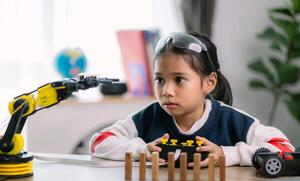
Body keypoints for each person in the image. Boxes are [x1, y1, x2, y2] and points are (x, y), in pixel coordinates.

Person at [89, 32, 294, 167]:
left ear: (209, 82)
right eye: (159, 80)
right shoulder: (148, 116)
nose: (166, 90)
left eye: (179, 79)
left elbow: (285, 148)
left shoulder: (231, 120)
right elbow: (98, 141)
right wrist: (140, 150)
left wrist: (227, 154)